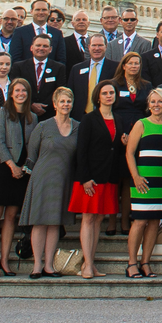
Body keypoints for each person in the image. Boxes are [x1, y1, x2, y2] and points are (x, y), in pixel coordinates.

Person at [19, 85, 80, 279]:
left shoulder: (77, 126)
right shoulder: (43, 126)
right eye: (62, 101)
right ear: (55, 103)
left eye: (68, 101)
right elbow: (32, 153)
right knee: (39, 222)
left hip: (64, 179)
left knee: (55, 223)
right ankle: (37, 266)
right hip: (43, 177)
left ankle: (49, 266)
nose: (65, 104)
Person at [71, 81, 127, 278]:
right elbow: (82, 150)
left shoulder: (119, 119)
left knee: (98, 220)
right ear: (98, 97)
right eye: (105, 93)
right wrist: (85, 177)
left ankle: (91, 262)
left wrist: (123, 143)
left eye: (112, 93)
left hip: (109, 176)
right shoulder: (89, 119)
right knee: (88, 218)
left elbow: (115, 149)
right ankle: (86, 264)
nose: (109, 96)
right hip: (91, 177)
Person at [123, 87, 162, 278]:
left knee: (155, 222)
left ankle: (145, 262)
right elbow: (129, 152)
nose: (156, 105)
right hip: (143, 180)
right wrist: (136, 176)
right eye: (153, 101)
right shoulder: (141, 124)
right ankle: (131, 263)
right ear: (148, 104)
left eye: (160, 101)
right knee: (139, 221)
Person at [0, 77, 36, 276]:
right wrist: (11, 165)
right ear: (11, 93)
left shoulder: (33, 117)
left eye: (24, 90)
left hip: (22, 171)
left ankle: (5, 260)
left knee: (11, 216)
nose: (20, 94)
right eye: (17, 90)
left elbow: (33, 145)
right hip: (2, 167)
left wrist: (25, 167)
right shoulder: (2, 113)